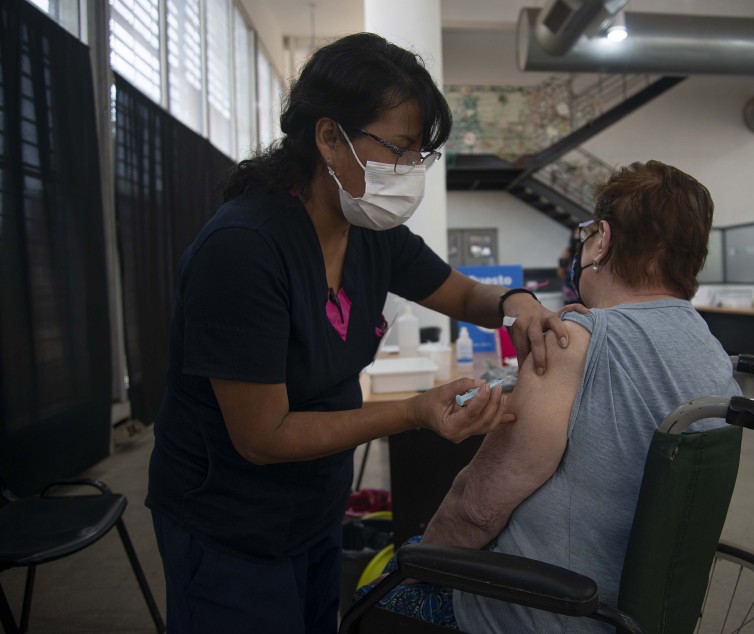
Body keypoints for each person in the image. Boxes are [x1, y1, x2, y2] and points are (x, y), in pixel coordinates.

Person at [144, 32, 570, 634]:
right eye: (397, 148)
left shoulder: (368, 231)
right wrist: (415, 412)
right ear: (328, 137)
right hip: (229, 522)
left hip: (315, 506)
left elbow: (463, 293)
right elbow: (263, 435)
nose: (408, 172)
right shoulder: (243, 251)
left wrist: (517, 302)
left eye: (418, 156)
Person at [358, 160, 741, 632]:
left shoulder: (572, 341)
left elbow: (477, 509)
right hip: (636, 612)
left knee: (371, 597)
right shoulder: (713, 354)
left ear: (602, 239)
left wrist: (417, 567)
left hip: (542, 610)